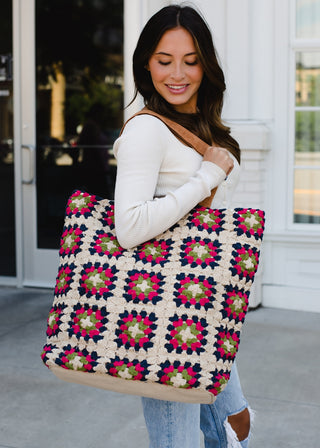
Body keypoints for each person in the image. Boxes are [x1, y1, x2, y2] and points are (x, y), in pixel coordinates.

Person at [113, 5, 252, 448]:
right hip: (162, 316)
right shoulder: (147, 131)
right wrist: (207, 176)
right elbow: (129, 227)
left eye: (191, 61)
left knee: (236, 427)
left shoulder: (201, 126)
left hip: (204, 310)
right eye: (163, 60)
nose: (178, 73)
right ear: (145, 64)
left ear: (206, 64)